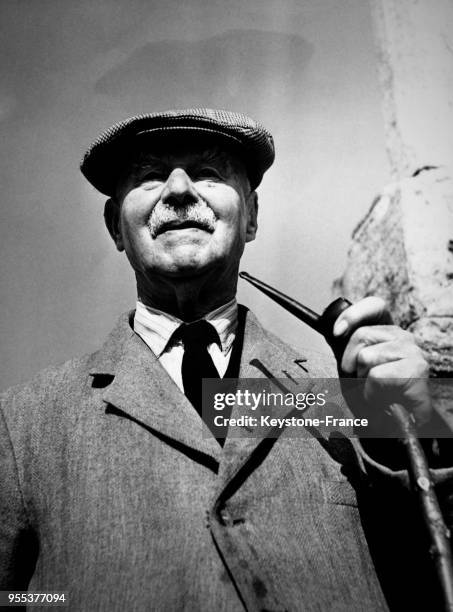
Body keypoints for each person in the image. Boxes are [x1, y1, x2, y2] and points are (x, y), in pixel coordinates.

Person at [0, 108, 451, 611]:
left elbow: (425, 569)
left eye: (209, 172)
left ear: (252, 216)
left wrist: (411, 421)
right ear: (114, 227)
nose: (177, 190)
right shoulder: (22, 423)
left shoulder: (343, 394)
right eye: (149, 175)